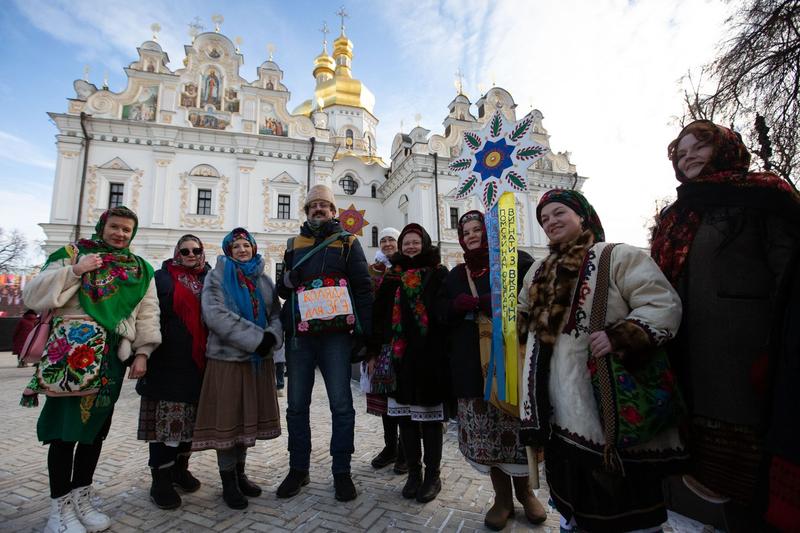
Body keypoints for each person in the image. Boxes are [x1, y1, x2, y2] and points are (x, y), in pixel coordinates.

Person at [652, 120, 800, 532]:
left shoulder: (765, 197)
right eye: (680, 154)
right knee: (704, 472)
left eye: (698, 148)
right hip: (690, 356)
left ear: (725, 148)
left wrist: (777, 347)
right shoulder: (677, 213)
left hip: (750, 353)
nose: (688, 158)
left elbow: (789, 276)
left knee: (754, 476)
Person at [518, 190, 684, 532]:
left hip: (607, 413)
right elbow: (522, 317)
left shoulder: (616, 256)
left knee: (628, 510)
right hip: (558, 412)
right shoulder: (537, 270)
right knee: (572, 505)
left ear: (582, 215)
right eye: (544, 219)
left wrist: (622, 335)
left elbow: (661, 304)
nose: (550, 222)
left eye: (559, 213)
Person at [21, 206, 160, 533]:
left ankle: (81, 496)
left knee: (95, 431)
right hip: (70, 357)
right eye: (115, 227)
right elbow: (34, 294)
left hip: (110, 359)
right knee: (63, 431)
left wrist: (143, 352)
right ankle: (59, 507)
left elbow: (147, 315)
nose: (120, 234)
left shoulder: (139, 269)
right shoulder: (72, 253)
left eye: (127, 230)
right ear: (103, 226)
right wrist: (75, 271)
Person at [438, 210, 546, 529]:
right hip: (473, 367)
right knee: (490, 436)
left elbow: (536, 300)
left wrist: (501, 302)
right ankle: (502, 498)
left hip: (511, 362)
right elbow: (440, 312)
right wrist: (458, 306)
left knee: (516, 430)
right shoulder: (457, 274)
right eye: (466, 231)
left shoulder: (517, 262)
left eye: (478, 230)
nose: (471, 235)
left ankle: (527, 494)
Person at [276, 184, 373, 502]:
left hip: (336, 338)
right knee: (296, 407)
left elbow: (362, 287)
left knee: (342, 406)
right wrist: (285, 282)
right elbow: (283, 288)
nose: (319, 209)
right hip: (301, 338)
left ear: (334, 211)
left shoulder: (348, 241)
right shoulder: (293, 244)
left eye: (324, 205)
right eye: (313, 205)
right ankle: (298, 469)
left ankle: (341, 472)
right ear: (306, 211)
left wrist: (365, 335)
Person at [192, 228, 283, 510]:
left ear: (254, 248)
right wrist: (257, 339)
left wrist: (271, 336)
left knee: (245, 419)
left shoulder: (264, 279)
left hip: (257, 362)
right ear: (228, 250)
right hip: (227, 361)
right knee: (227, 422)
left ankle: (241, 474)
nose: (242, 250)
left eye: (247, 245)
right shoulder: (217, 276)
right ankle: (228, 482)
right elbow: (214, 314)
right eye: (236, 246)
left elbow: (276, 314)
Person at [367, 223, 449, 503]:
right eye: (407, 243)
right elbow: (379, 316)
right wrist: (374, 350)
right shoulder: (392, 276)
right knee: (405, 419)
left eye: (416, 242)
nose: (411, 247)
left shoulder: (438, 273)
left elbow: (444, 312)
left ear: (424, 244)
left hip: (429, 357)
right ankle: (414, 473)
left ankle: (432, 476)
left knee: (430, 419)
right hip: (399, 357)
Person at [135, 235, 209, 509]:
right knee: (167, 427)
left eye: (196, 250)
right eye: (185, 250)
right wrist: (143, 352)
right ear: (176, 253)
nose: (191, 254)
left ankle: (180, 470)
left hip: (200, 365)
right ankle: (161, 480)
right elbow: (147, 314)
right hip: (167, 364)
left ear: (202, 252)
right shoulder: (161, 278)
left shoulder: (209, 279)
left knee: (190, 425)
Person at [365, 227, 408, 475]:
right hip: (382, 341)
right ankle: (390, 447)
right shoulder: (375, 270)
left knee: (403, 398)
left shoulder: (407, 267)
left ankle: (405, 451)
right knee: (385, 399)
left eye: (392, 239)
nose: (387, 243)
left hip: (404, 340)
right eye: (383, 240)